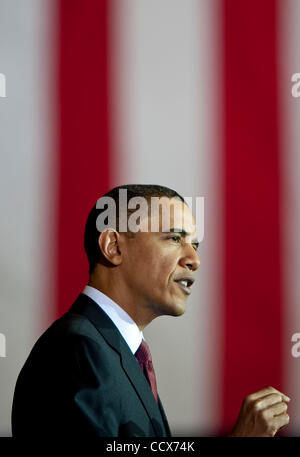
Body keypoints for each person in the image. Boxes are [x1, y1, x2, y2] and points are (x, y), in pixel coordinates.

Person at [11, 184, 290, 437]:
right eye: (173, 238)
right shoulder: (78, 349)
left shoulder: (120, 353)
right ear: (114, 247)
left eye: (195, 245)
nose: (195, 260)